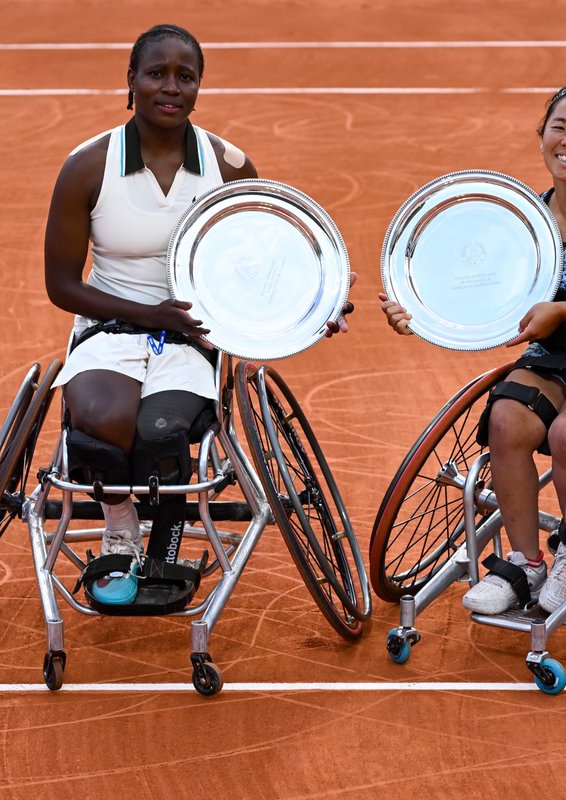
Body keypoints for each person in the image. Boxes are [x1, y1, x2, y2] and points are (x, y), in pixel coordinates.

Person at [44, 24, 353, 606]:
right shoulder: (87, 166)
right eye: (156, 73)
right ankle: (119, 527)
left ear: (199, 86)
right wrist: (148, 311)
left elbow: (270, 256)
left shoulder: (228, 167)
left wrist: (323, 299)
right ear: (131, 81)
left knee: (161, 432)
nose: (171, 87)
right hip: (109, 330)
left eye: (185, 77)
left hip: (191, 339)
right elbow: (60, 285)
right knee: (103, 417)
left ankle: (165, 535)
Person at [380, 84, 566, 616]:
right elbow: (478, 296)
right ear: (541, 136)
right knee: (506, 421)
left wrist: (564, 310)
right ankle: (526, 562)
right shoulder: (525, 218)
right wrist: (415, 315)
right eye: (558, 127)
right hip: (556, 359)